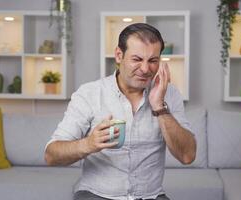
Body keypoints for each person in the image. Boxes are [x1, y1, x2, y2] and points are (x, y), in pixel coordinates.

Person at [45, 23, 196, 200]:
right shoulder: (89, 93)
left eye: (153, 61)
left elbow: (187, 156)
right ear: (119, 55)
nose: (146, 69)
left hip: (150, 196)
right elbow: (51, 155)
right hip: (96, 195)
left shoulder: (169, 94)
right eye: (137, 59)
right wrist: (89, 144)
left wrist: (160, 108)